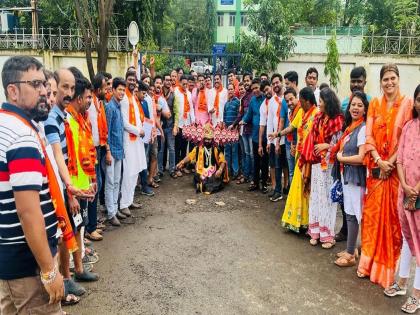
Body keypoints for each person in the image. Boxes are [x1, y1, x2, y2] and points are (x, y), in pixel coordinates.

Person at [0, 56, 63, 314]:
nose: (44, 92)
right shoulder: (21, 136)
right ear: (13, 91)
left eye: (44, 85)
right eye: (36, 84)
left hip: (10, 262)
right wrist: (49, 271)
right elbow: (29, 212)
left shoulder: (7, 125)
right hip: (29, 267)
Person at [357, 63, 413, 288]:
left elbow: (407, 139)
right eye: (385, 79)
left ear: (398, 79)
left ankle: (386, 272)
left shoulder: (407, 104)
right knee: (371, 218)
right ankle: (367, 265)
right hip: (377, 172)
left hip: (396, 173)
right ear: (380, 82)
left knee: (392, 222)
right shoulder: (375, 105)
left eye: (392, 78)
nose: (389, 83)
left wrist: (390, 162)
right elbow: (368, 136)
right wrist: (380, 160)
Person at [384, 85, 420, 314]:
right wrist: (406, 186)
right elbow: (399, 160)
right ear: (415, 102)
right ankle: (402, 282)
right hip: (405, 192)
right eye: (419, 99)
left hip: (418, 195)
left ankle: (417, 296)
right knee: (407, 239)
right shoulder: (408, 126)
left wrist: (416, 188)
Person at [270, 87, 319, 233]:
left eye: (301, 101)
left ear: (308, 101)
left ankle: (308, 223)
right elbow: (291, 127)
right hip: (300, 157)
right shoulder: (301, 113)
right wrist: (278, 134)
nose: (299, 104)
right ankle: (297, 222)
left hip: (311, 160)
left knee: (307, 191)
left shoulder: (317, 114)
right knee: (297, 189)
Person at [302, 88, 344, 249]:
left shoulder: (338, 120)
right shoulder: (318, 118)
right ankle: (315, 232)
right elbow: (311, 138)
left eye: (321, 101)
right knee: (317, 197)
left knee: (327, 198)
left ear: (328, 102)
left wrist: (327, 145)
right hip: (317, 163)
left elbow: (340, 144)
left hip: (331, 163)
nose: (318, 104)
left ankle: (328, 236)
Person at [333, 91, 369, 266]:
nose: (355, 108)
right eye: (353, 104)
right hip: (347, 176)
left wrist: (341, 158)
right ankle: (351, 249)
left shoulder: (362, 129)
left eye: (359, 105)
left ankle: (352, 255)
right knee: (349, 214)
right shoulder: (350, 127)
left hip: (356, 178)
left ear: (364, 109)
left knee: (356, 215)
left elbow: (362, 158)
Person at [119, 71, 147, 218]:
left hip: (136, 138)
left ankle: (129, 201)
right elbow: (124, 123)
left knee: (135, 170)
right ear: (125, 81)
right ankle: (123, 204)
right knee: (129, 172)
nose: (131, 82)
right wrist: (138, 131)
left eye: (133, 80)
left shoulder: (133, 98)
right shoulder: (124, 98)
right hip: (129, 139)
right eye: (129, 79)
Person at [86, 72, 109, 241]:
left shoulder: (99, 103)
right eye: (105, 86)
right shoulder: (90, 104)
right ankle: (90, 227)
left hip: (99, 147)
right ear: (97, 88)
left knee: (98, 184)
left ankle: (93, 222)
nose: (107, 88)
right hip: (91, 149)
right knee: (94, 186)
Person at [176, 123, 227, 194]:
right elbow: (190, 156)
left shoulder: (216, 149)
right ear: (203, 138)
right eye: (206, 139)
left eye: (209, 139)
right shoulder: (198, 148)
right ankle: (203, 185)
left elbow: (223, 161)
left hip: (213, 172)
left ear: (212, 139)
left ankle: (202, 185)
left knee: (216, 180)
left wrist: (220, 170)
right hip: (201, 172)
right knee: (198, 176)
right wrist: (182, 162)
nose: (207, 141)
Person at [104, 77, 126, 226]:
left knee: (117, 181)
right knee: (110, 182)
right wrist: (108, 151)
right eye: (120, 89)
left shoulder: (119, 106)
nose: (122, 92)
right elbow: (106, 131)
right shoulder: (110, 107)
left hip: (119, 150)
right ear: (113, 90)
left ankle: (115, 208)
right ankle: (110, 212)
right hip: (111, 152)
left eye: (124, 90)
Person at [240, 78, 267, 193]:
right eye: (253, 89)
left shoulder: (266, 99)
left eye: (256, 88)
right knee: (255, 160)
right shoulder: (252, 101)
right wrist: (243, 120)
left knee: (264, 161)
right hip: (255, 135)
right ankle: (255, 182)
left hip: (266, 136)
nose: (255, 90)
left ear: (260, 87)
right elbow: (249, 115)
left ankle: (264, 184)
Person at [279, 87, 300, 187]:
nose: (289, 102)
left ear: (296, 97)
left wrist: (294, 144)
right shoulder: (290, 112)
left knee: (297, 173)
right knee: (291, 171)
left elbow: (296, 129)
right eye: (287, 101)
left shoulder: (301, 110)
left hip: (299, 146)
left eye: (291, 99)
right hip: (290, 142)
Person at [173, 75, 195, 167]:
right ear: (180, 83)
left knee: (184, 146)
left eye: (186, 84)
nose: (185, 86)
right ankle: (176, 166)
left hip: (187, 124)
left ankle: (182, 166)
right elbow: (173, 108)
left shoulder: (189, 94)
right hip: (179, 124)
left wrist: (193, 122)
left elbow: (191, 109)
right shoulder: (176, 92)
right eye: (184, 84)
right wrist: (175, 124)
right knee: (177, 146)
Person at [161, 73, 177, 178]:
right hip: (161, 126)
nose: (168, 82)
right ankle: (160, 170)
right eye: (166, 80)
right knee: (161, 149)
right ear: (163, 81)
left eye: (169, 80)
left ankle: (172, 169)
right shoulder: (159, 94)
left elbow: (176, 111)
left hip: (170, 126)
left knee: (171, 148)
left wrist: (175, 125)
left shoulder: (173, 95)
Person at [224, 83, 240, 179]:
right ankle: (227, 171)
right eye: (229, 89)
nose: (230, 91)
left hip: (234, 131)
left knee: (234, 152)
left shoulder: (237, 102)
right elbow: (224, 116)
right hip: (227, 132)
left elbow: (239, 116)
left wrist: (235, 126)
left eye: (231, 89)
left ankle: (235, 172)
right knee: (227, 152)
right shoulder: (226, 103)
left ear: (234, 90)